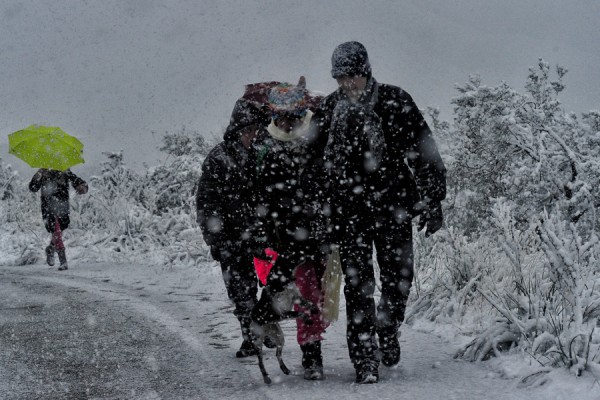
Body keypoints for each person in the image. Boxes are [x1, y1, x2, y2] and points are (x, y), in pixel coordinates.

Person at [313, 41, 447, 383]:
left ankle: (387, 328)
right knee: (358, 288)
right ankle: (364, 360)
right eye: (340, 78)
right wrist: (317, 210)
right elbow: (311, 165)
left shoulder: (394, 101)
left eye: (352, 76)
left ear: (366, 71)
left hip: (393, 209)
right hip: (348, 213)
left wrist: (433, 199)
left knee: (399, 281)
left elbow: (423, 149)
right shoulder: (329, 109)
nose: (347, 84)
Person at [251, 79, 329, 380]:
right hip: (283, 236)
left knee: (311, 294)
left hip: (313, 234)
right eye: (279, 114)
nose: (284, 120)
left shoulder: (314, 141)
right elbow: (260, 193)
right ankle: (305, 352)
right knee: (292, 291)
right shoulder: (266, 148)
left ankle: (310, 351)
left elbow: (326, 184)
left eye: (290, 114)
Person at [196, 97, 273, 358]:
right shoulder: (218, 158)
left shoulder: (261, 155)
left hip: (261, 235)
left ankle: (265, 324)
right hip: (231, 237)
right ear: (238, 129)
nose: (252, 135)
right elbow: (207, 202)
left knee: (272, 283)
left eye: (255, 131)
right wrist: (216, 238)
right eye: (248, 131)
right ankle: (251, 337)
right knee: (240, 289)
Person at [29, 168, 88, 271]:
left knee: (60, 229)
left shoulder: (64, 170)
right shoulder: (42, 172)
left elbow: (75, 180)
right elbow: (33, 188)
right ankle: (63, 261)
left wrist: (82, 186)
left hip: (62, 206)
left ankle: (51, 248)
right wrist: (38, 176)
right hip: (48, 208)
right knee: (56, 230)